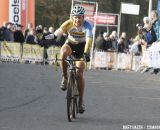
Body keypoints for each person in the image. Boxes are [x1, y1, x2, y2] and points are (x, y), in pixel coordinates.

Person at [47, 4, 93, 113]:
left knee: (79, 73)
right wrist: (45, 37)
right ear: (72, 17)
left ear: (83, 17)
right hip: (70, 45)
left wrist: (86, 53)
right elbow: (55, 34)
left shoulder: (88, 25)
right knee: (63, 52)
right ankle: (65, 77)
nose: (77, 19)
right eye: (75, 17)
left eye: (80, 17)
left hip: (82, 48)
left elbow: (89, 39)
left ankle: (81, 101)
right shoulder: (68, 23)